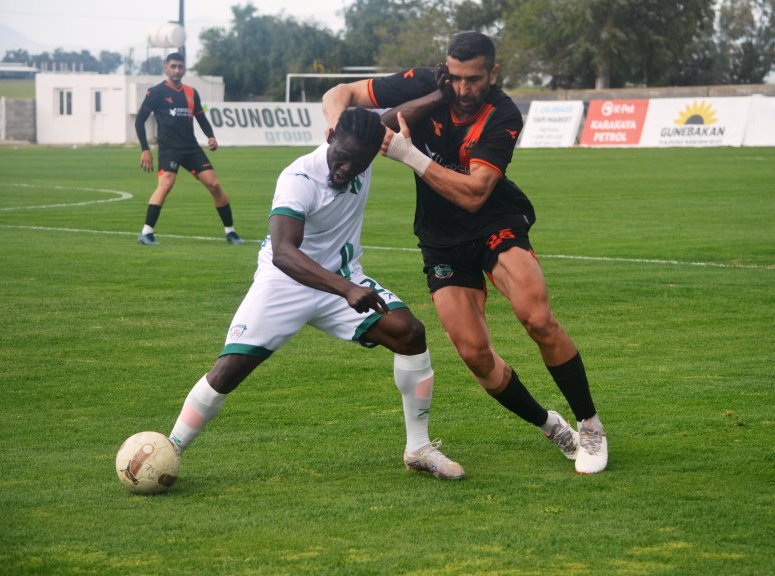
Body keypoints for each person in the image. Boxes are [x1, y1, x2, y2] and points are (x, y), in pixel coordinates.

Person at [322, 31, 608, 474]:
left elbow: (475, 193)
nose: (461, 89)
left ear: (493, 73)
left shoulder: (503, 114)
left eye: (473, 79)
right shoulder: (425, 83)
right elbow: (340, 91)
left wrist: (407, 153)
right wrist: (339, 121)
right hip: (441, 238)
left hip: (495, 223)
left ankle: (590, 425)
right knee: (475, 355)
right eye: (454, 77)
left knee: (536, 317)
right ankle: (551, 426)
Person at [165, 107, 464, 481]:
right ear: (329, 137)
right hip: (285, 282)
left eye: (358, 163)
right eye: (342, 159)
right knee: (230, 369)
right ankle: (168, 448)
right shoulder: (298, 177)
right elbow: (284, 252)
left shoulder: (362, 146)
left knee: (409, 333)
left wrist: (444, 94)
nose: (347, 170)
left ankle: (418, 448)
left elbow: (388, 118)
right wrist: (346, 289)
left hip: (341, 278)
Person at [134, 51, 244, 247]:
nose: (177, 70)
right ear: (165, 68)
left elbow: (201, 117)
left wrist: (211, 136)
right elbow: (140, 121)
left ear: (184, 69)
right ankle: (146, 232)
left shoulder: (191, 93)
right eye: (173, 66)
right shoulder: (156, 92)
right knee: (166, 184)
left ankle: (231, 232)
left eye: (180, 67)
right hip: (169, 149)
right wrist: (145, 149)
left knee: (215, 185)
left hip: (191, 148)